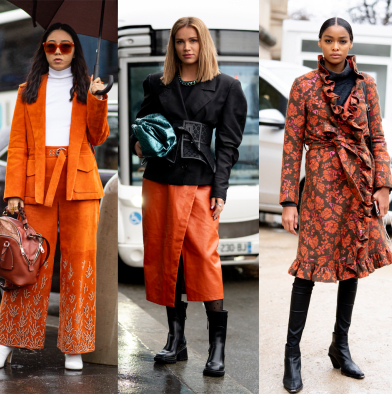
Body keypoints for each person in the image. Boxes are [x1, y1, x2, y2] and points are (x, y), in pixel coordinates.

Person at [0, 23, 109, 371]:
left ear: (74, 50)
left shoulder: (88, 89)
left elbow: (97, 137)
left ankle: (75, 346)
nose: (57, 51)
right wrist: (13, 194)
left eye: (65, 46)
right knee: (26, 263)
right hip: (37, 185)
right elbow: (18, 146)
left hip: (80, 184)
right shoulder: (27, 91)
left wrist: (99, 99)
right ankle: (7, 343)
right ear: (42, 48)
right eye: (51, 45)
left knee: (79, 266)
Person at [279, 17, 392, 393]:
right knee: (308, 268)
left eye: (342, 41)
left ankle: (339, 347)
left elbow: (377, 136)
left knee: (352, 263)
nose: (335, 47)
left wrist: (382, 185)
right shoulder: (304, 86)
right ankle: (291, 355)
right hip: (320, 184)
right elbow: (292, 145)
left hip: (358, 185)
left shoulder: (367, 84)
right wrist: (288, 200)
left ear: (350, 44)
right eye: (328, 40)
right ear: (320, 43)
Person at [131, 16, 247, 377]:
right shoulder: (156, 82)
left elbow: (228, 145)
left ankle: (216, 349)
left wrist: (221, 190)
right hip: (160, 181)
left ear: (203, 44)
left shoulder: (227, 86)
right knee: (168, 257)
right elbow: (141, 127)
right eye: (180, 41)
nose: (186, 47)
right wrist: (140, 145)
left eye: (193, 41)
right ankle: (175, 340)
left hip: (200, 182)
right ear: (173, 46)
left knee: (205, 260)